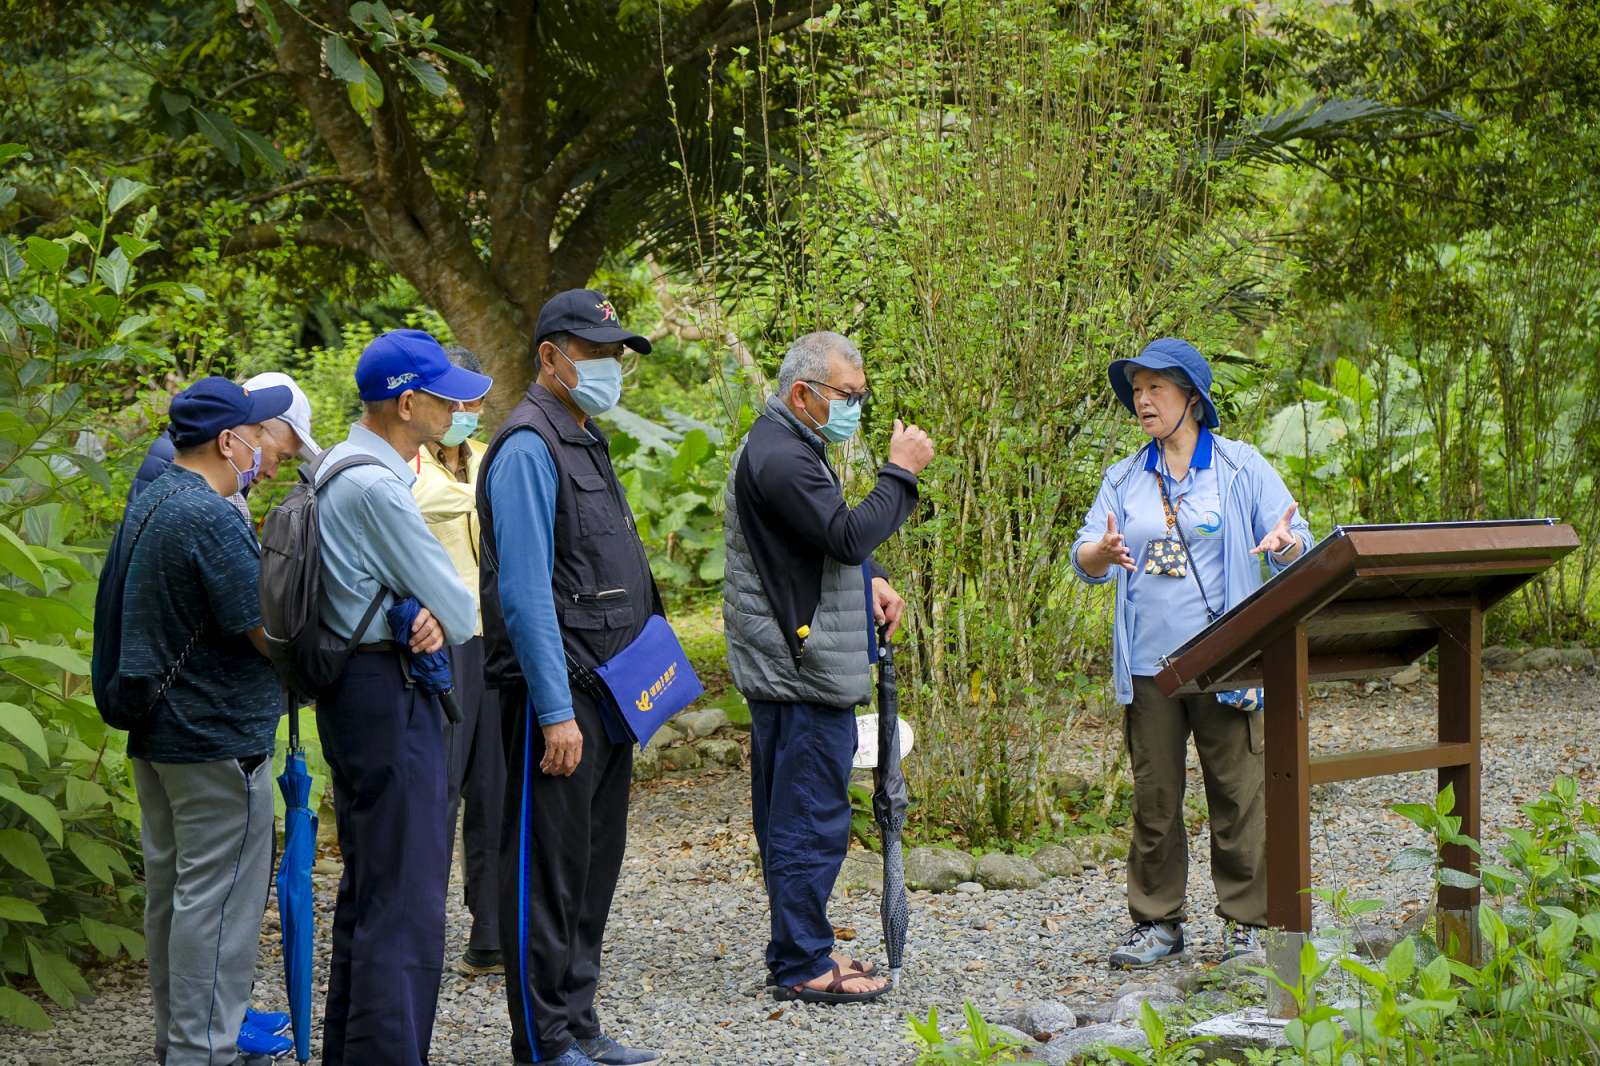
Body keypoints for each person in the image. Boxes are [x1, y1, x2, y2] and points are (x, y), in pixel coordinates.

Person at [1070, 337, 1312, 968]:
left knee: (1239, 793)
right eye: (1138, 390)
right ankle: (1157, 922)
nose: (1143, 401)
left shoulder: (1240, 466)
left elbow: (1298, 542)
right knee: (1155, 799)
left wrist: (1282, 542)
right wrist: (1099, 553)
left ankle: (1246, 923)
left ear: (1192, 399)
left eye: (1157, 389)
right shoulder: (1124, 477)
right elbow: (1087, 554)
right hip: (1150, 667)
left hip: (1229, 659)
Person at [478, 289, 664, 1066]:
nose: (611, 365)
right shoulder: (528, 444)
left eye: (617, 352)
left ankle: (580, 1020)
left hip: (612, 692)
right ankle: (544, 1039)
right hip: (564, 700)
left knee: (593, 867)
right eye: (596, 352)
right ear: (552, 357)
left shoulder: (583, 435)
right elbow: (523, 593)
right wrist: (555, 711)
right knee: (547, 875)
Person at [721, 331, 933, 1005]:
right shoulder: (782, 455)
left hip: (793, 660)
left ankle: (796, 948)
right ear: (802, 394)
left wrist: (867, 578)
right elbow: (844, 532)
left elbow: (817, 545)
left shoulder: (786, 445)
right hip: (800, 667)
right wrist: (902, 472)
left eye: (861, 397)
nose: (855, 408)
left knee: (793, 815)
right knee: (809, 820)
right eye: (847, 395)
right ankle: (805, 963)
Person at [312, 329, 486, 1066]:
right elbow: (462, 606)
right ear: (407, 401)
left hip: (353, 690)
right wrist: (425, 608)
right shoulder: (380, 484)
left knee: (373, 884)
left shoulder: (332, 467)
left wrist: (414, 606)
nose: (457, 406)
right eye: (444, 395)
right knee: (409, 898)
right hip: (389, 694)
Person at [116, 377, 294, 1066]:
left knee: (175, 898)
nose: (265, 452)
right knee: (217, 908)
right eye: (256, 437)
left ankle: (179, 1044)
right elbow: (263, 630)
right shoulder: (210, 515)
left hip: (160, 732)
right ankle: (204, 1051)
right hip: (217, 741)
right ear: (228, 441)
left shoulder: (154, 497)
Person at [410, 345, 506, 976]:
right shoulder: (401, 464)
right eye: (458, 400)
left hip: (496, 636)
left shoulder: (495, 453)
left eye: (476, 400)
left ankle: (492, 935)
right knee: (437, 789)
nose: (469, 411)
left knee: (496, 788)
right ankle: (417, 934)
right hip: (437, 641)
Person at [128, 371, 319, 509]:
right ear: (255, 428)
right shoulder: (184, 471)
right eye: (280, 457)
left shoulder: (227, 473)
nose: (273, 474)